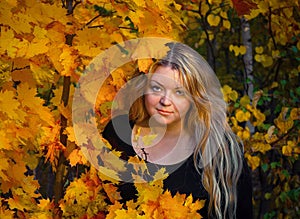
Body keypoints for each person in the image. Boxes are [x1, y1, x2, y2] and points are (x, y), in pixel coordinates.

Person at [102, 42, 253, 219]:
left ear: (194, 97)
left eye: (179, 92)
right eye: (157, 88)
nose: (165, 101)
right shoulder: (118, 134)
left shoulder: (221, 151)